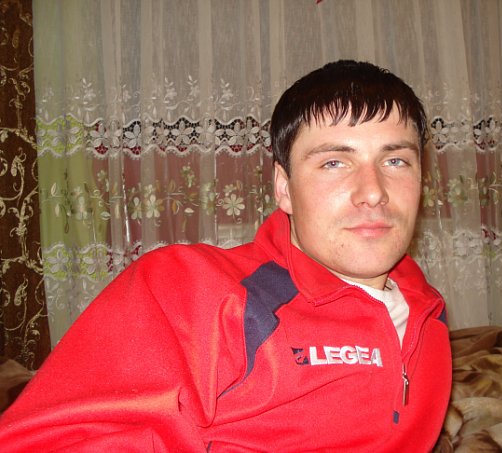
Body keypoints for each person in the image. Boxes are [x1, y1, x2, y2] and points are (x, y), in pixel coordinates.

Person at [0, 60, 451, 452]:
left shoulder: (428, 314)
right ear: (283, 188)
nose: (373, 192)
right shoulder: (191, 289)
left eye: (395, 161)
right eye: (334, 162)